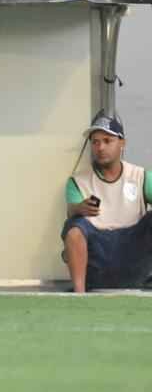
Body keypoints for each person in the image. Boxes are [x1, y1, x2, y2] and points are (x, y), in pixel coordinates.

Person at [61, 113, 152, 293]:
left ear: (122, 143)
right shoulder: (77, 182)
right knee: (74, 228)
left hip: (135, 253)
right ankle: (79, 297)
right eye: (95, 142)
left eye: (107, 140)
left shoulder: (141, 177)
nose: (100, 147)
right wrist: (78, 208)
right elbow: (71, 211)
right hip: (99, 260)